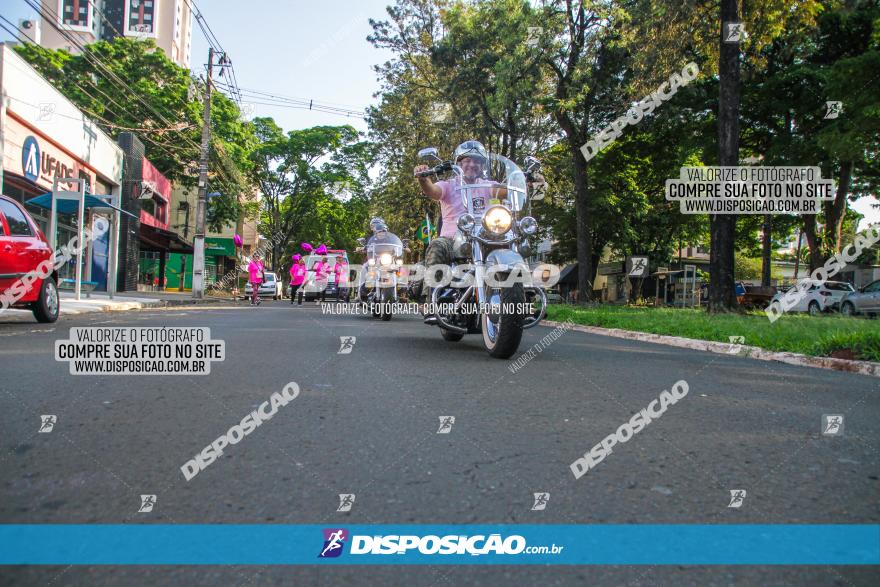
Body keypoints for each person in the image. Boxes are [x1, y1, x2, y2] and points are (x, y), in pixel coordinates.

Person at [413, 140, 499, 324]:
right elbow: (433, 191)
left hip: (484, 237)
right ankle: (431, 301)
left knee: (510, 244)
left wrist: (524, 181)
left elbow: (502, 191)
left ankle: (522, 296)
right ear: (458, 163)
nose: (472, 164)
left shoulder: (486, 185)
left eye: (477, 161)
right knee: (436, 246)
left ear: (482, 165)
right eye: (467, 160)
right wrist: (424, 178)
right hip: (453, 239)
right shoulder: (449, 185)